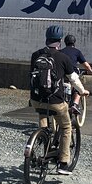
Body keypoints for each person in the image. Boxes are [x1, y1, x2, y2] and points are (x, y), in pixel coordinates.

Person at [30, 25, 83, 175]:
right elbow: (74, 79)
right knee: (66, 127)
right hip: (56, 101)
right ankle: (63, 163)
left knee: (43, 115)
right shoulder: (63, 57)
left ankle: (41, 137)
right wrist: (82, 91)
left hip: (36, 100)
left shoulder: (36, 55)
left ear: (46, 39)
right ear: (60, 41)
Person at [59, 34, 92, 115]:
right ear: (74, 42)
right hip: (72, 73)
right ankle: (75, 104)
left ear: (65, 42)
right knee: (77, 89)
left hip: (62, 74)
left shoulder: (60, 51)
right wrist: (90, 71)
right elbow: (86, 65)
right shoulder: (77, 52)